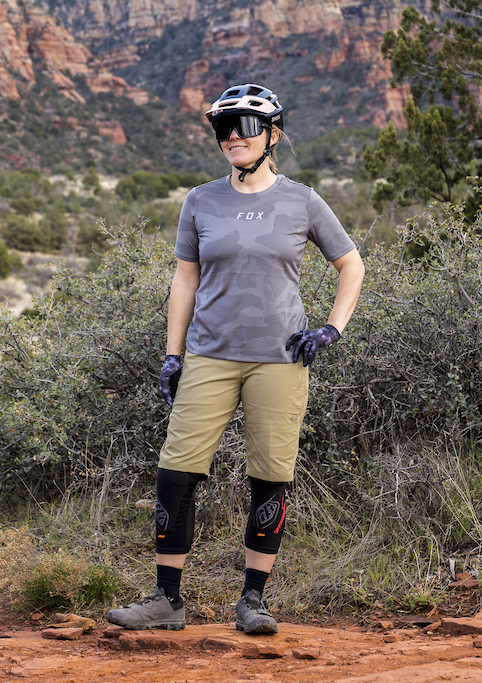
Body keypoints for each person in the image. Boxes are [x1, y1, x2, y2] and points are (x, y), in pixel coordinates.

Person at [106, 83, 365, 635]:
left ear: (271, 136)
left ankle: (254, 601)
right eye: (224, 129)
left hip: (280, 359)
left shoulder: (302, 200)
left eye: (245, 127)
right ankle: (167, 601)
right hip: (208, 355)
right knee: (175, 473)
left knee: (271, 476)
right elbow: (184, 279)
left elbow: (352, 265)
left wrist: (330, 329)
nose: (232, 138)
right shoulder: (200, 200)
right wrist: (172, 356)